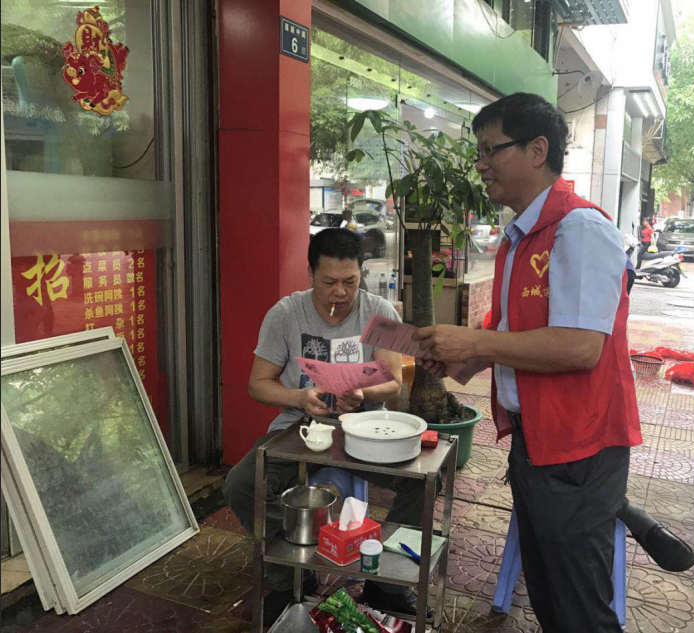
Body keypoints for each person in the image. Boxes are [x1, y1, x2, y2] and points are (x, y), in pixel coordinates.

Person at [414, 93, 643, 632]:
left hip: (579, 449)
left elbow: (581, 347)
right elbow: (513, 335)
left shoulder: (578, 228)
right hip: (537, 441)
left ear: (538, 150)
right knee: (549, 593)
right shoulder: (520, 237)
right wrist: (462, 359)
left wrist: (475, 345)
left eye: (490, 150)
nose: (480, 164)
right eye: (478, 152)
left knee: (579, 607)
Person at [222, 229, 431, 626]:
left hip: (364, 430)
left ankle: (384, 584)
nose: (340, 292)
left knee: (420, 483)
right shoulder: (285, 313)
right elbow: (257, 385)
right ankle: (291, 576)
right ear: (310, 274)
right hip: (301, 427)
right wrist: (300, 397)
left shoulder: (381, 311)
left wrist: (363, 392)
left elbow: (394, 382)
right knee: (241, 484)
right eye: (329, 282)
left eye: (350, 281)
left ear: (361, 273)